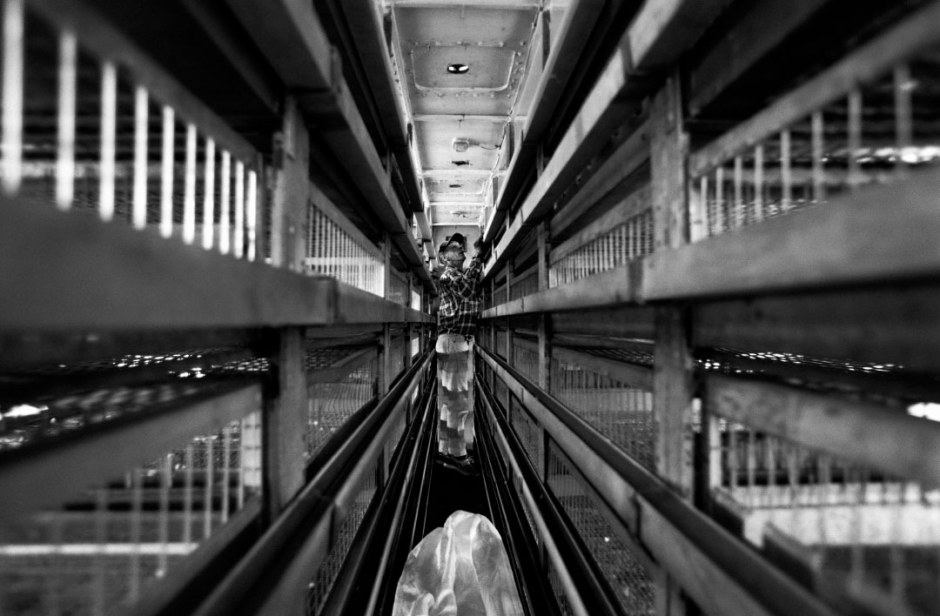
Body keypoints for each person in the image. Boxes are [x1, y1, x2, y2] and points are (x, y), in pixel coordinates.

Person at [434, 232, 484, 475]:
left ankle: (446, 451)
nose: (461, 250)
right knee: (459, 404)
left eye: (461, 247)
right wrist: (478, 256)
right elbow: (468, 288)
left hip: (452, 340)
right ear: (444, 257)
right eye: (455, 248)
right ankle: (458, 457)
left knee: (449, 403)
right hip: (454, 341)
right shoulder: (449, 276)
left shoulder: (454, 275)